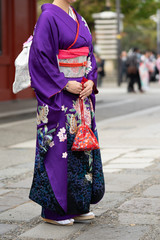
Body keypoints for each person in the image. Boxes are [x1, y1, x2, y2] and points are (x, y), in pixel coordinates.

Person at [28, 0, 105, 226]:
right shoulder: (48, 17)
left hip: (81, 96)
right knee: (58, 151)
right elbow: (40, 57)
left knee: (82, 150)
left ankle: (78, 206)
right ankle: (53, 211)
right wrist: (62, 83)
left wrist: (90, 80)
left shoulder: (78, 17)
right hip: (59, 97)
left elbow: (89, 56)